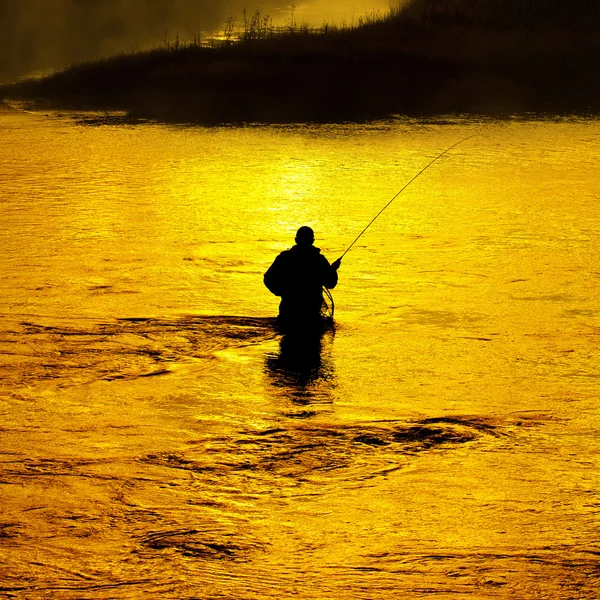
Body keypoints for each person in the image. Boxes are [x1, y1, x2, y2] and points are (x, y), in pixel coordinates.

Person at [264, 226, 341, 332]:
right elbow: (331, 283)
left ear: (296, 240)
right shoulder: (319, 260)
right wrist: (332, 270)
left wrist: (282, 292)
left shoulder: (284, 257)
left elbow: (268, 279)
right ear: (312, 241)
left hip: (288, 312)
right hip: (311, 315)